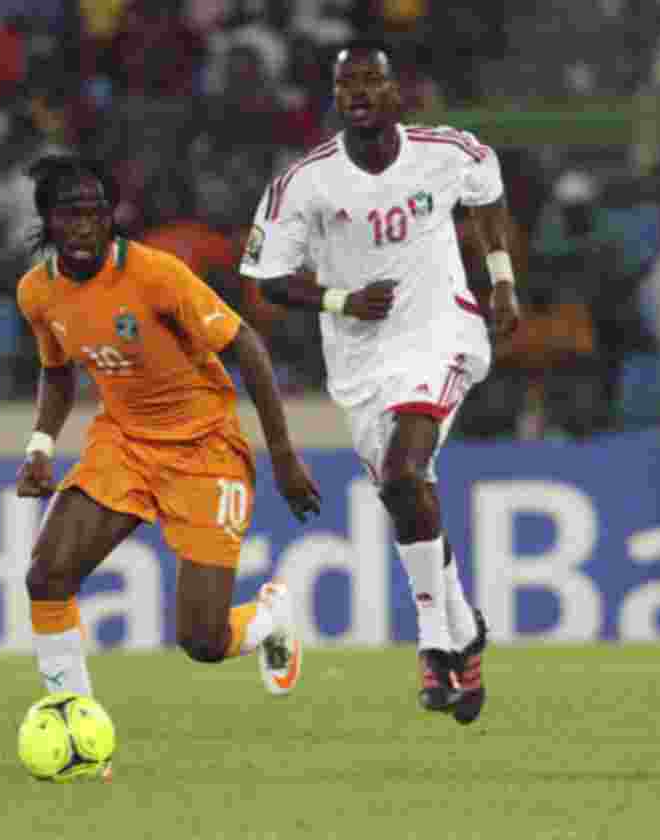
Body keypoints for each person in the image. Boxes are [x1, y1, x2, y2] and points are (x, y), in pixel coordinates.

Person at [238, 44, 522, 724]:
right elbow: (265, 280)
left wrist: (502, 278)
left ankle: (431, 639)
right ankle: (463, 631)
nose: (360, 91)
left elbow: (486, 195)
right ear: (335, 97)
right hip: (361, 362)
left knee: (403, 471)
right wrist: (339, 300)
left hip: (441, 335)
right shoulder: (304, 183)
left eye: (372, 79)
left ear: (397, 90)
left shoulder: (446, 151)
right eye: (347, 83)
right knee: (406, 493)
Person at [14, 155, 321, 700]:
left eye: (95, 213)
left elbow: (246, 345)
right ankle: (72, 719)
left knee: (202, 640)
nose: (84, 226)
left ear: (111, 219)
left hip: (204, 449)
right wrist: (41, 444)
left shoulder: (155, 275)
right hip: (124, 443)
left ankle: (269, 618)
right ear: (48, 221)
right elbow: (57, 371)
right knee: (47, 577)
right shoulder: (37, 293)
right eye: (70, 214)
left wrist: (283, 456)